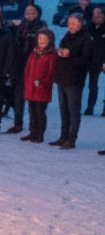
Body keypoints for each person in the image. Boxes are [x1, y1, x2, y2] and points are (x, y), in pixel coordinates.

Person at [51, 13, 90, 149]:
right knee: (64, 110)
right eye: (69, 23)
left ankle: (72, 139)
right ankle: (63, 136)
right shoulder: (67, 35)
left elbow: (85, 60)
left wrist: (69, 55)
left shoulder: (85, 38)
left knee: (73, 110)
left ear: (81, 24)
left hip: (74, 79)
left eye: (74, 23)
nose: (71, 26)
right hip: (62, 77)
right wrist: (60, 52)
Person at [7, 5, 46, 132]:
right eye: (27, 11)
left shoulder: (42, 27)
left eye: (32, 11)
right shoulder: (19, 27)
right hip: (19, 65)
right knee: (18, 95)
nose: (29, 14)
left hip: (35, 65)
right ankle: (18, 123)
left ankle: (35, 128)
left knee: (34, 97)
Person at [20, 29, 57, 143]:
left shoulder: (52, 54)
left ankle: (40, 134)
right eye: (40, 38)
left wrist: (42, 82)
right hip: (31, 85)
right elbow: (27, 68)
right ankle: (33, 132)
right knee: (31, 110)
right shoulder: (34, 52)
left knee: (40, 111)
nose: (42, 41)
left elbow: (51, 71)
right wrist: (27, 80)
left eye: (44, 39)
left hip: (42, 87)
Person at [85, 6, 105, 116]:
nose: (96, 17)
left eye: (99, 15)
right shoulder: (89, 28)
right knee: (92, 85)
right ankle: (90, 107)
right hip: (92, 61)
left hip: (103, 60)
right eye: (94, 15)